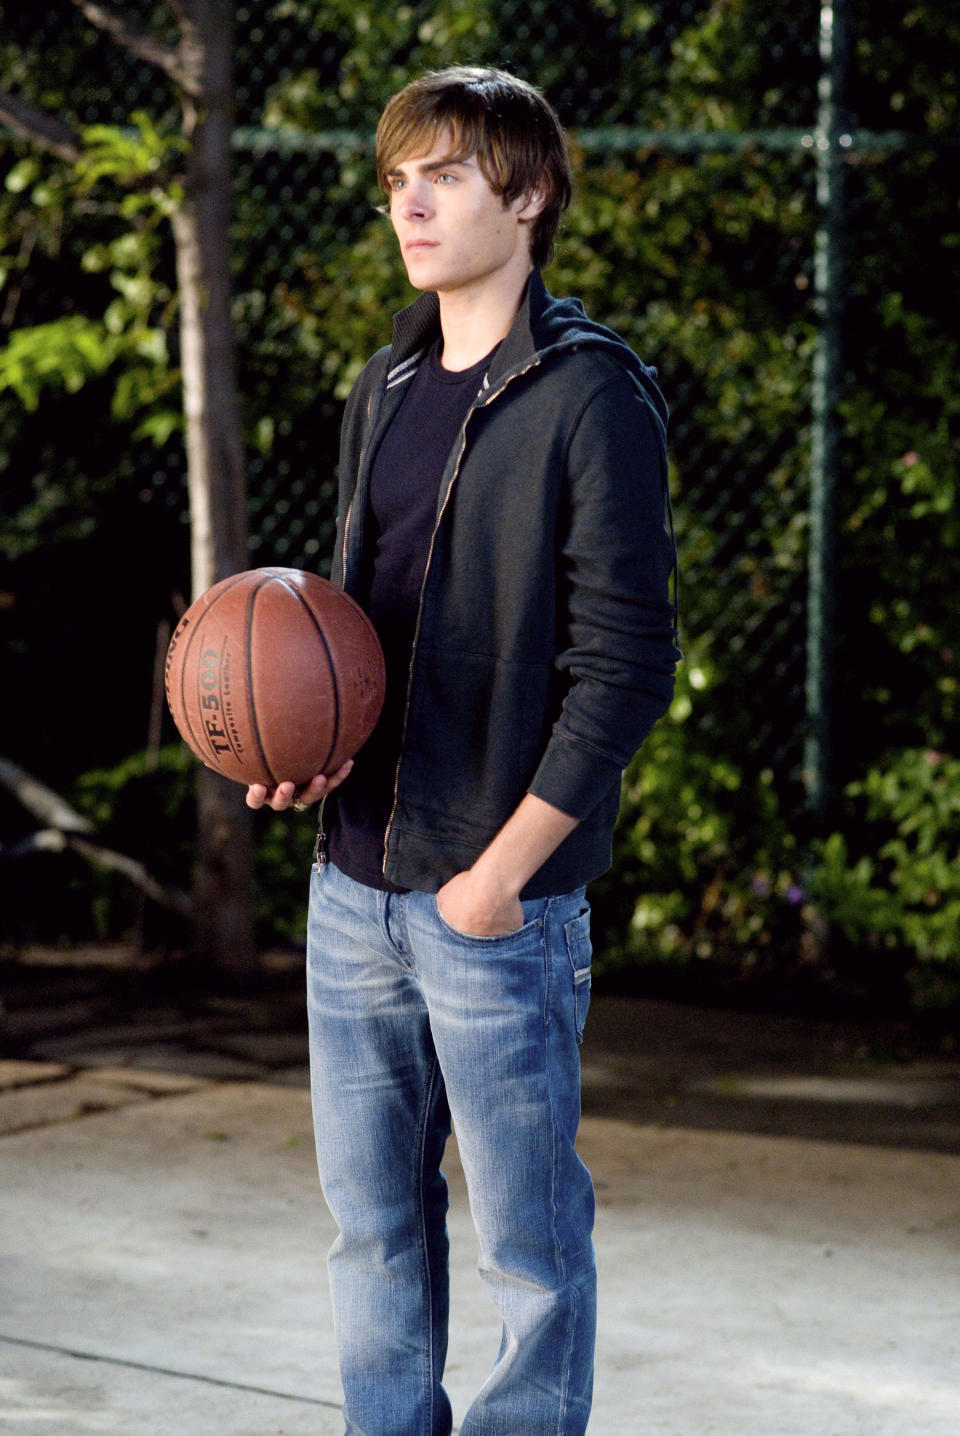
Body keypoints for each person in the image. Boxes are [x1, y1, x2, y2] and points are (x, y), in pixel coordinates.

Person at [247, 64, 680, 1436]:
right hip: (352, 887)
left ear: (529, 193)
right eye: (397, 179)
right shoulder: (384, 378)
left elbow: (624, 670)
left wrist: (499, 880)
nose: (411, 202)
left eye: (444, 174)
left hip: (494, 906)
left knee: (530, 1257)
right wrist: (315, 756)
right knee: (370, 1234)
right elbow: (357, 635)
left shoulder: (589, 396)